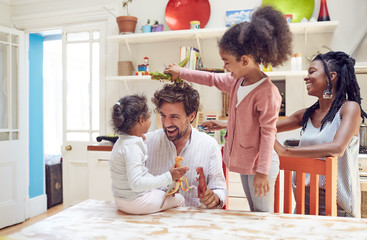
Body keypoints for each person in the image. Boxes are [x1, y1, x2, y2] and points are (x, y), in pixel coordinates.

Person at [164, 6, 292, 212]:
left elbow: (268, 133)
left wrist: (261, 173)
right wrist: (182, 73)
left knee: (261, 217)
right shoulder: (236, 81)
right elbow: (211, 79)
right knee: (253, 213)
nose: (224, 68)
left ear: (244, 60)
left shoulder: (267, 93)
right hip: (245, 160)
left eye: (226, 62)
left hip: (262, 164)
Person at [275, 51, 366, 218]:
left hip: (337, 207)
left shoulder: (349, 109)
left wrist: (286, 152)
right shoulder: (307, 114)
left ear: (331, 77)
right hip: (303, 202)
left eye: (312, 72)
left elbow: (337, 148)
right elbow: (266, 127)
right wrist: (225, 124)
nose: (306, 77)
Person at [145, 82, 228, 208]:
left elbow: (220, 190)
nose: (167, 123)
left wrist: (214, 198)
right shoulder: (146, 143)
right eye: (163, 115)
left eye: (174, 117)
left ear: (191, 116)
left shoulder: (209, 145)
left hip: (194, 223)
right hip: (154, 220)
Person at [109, 94, 189, 214]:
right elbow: (137, 184)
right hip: (136, 202)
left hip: (121, 201)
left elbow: (141, 176)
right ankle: (175, 230)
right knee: (179, 199)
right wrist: (169, 176)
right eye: (148, 117)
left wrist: (166, 182)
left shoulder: (121, 142)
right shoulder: (133, 147)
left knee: (162, 192)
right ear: (141, 120)